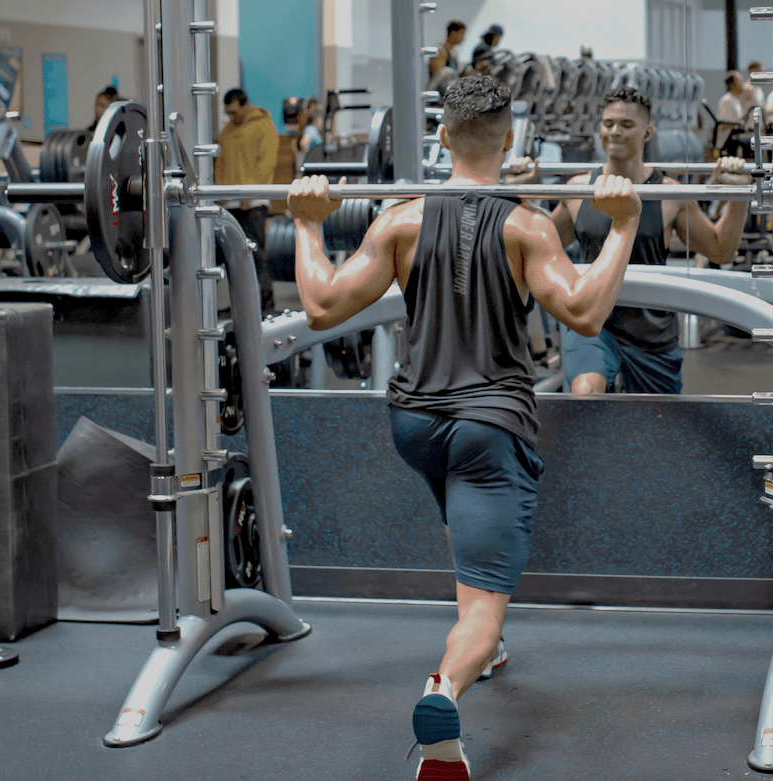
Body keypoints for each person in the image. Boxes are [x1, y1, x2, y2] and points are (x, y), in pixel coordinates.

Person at [286, 74, 642, 781]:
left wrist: (304, 221)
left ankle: (489, 644)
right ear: (508, 140)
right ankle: (444, 691)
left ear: (443, 138)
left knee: (463, 525)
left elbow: (322, 306)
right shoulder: (527, 225)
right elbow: (585, 311)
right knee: (479, 605)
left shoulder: (398, 219)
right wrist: (624, 224)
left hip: (413, 420)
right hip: (487, 426)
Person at [516, 86, 751, 395]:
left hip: (650, 330)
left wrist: (738, 195)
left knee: (656, 429)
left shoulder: (670, 193)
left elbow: (720, 250)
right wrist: (521, 196)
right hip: (592, 324)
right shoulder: (577, 189)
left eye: (627, 125)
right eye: (608, 123)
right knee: (586, 390)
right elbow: (534, 246)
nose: (614, 131)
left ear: (647, 132)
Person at [215, 87, 279, 313]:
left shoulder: (263, 126)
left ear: (245, 104)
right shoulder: (227, 131)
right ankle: (240, 306)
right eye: (228, 113)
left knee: (256, 255)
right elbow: (221, 164)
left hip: (253, 204)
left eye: (234, 112)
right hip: (232, 204)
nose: (232, 117)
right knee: (235, 258)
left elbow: (266, 164)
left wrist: (248, 194)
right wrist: (220, 195)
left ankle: (265, 305)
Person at [715, 71, 749, 155]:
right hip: (726, 146)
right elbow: (722, 125)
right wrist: (739, 124)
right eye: (740, 81)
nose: (742, 83)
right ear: (732, 85)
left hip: (733, 144)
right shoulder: (727, 100)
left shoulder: (735, 100)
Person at [292, 97, 325, 172]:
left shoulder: (311, 129)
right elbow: (304, 143)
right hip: (310, 165)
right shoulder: (311, 129)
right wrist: (311, 156)